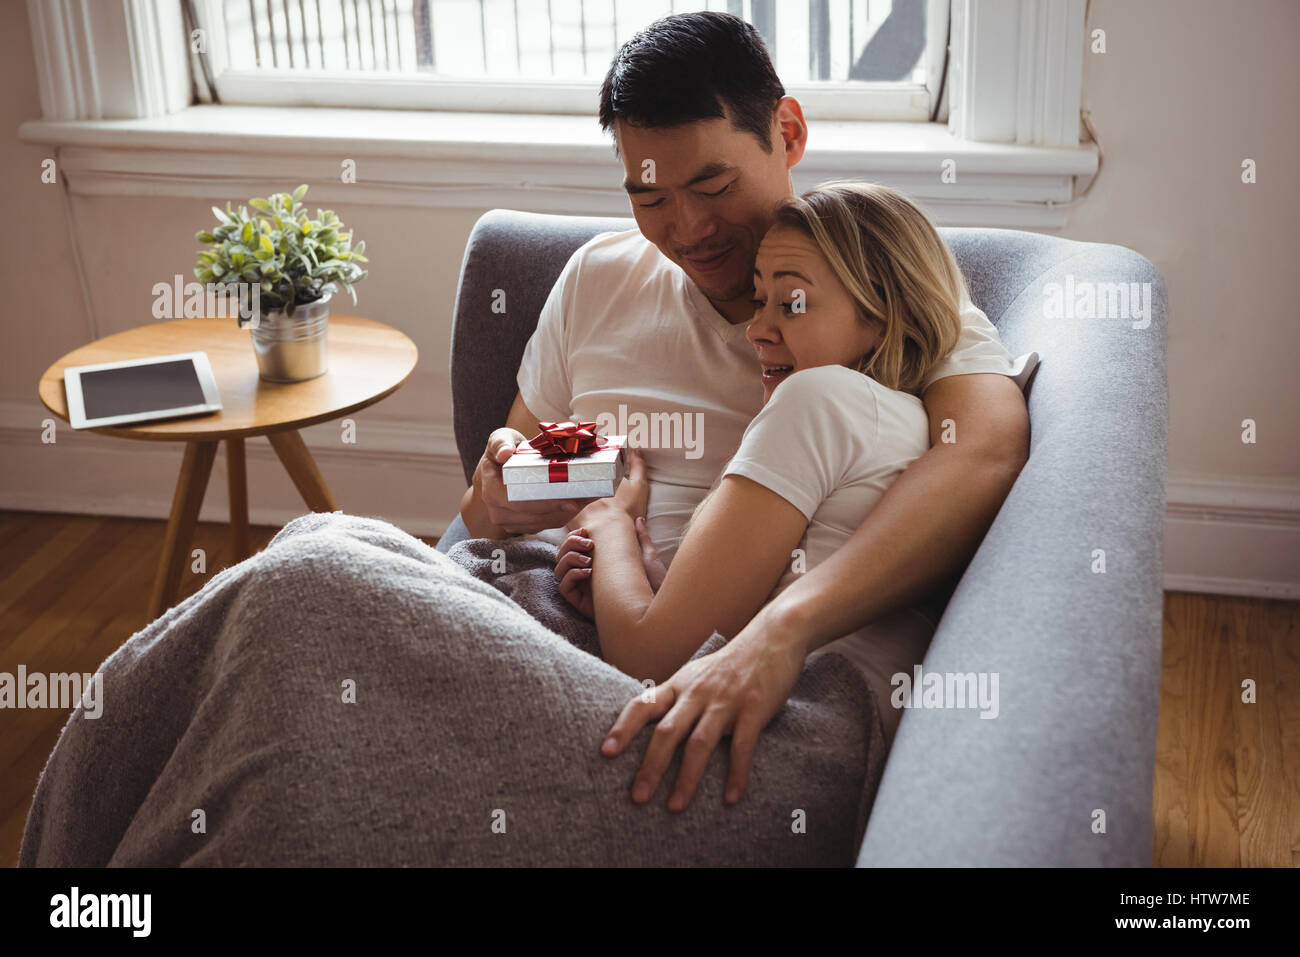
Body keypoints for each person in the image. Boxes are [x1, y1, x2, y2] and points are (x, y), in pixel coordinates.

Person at [444, 11, 1035, 812]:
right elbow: (520, 479)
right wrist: (499, 491)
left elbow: (984, 454)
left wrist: (778, 632)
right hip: (530, 592)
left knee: (308, 586)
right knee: (311, 571)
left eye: (712, 186)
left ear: (787, 132)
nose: (686, 230)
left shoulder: (874, 299)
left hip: (656, 651)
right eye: (649, 196)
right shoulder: (597, 279)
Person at [555, 181, 987, 766]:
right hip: (817, 731)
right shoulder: (899, 419)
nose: (759, 328)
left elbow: (648, 662)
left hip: (786, 741)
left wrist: (609, 523)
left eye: (793, 303)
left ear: (885, 318)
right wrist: (645, 585)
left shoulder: (819, 400)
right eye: (760, 301)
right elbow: (708, 623)